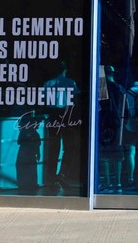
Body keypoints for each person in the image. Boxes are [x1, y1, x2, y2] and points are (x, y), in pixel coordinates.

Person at [41, 61, 80, 192]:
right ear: (65, 70)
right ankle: (62, 173)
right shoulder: (70, 82)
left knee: (54, 148)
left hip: (53, 115)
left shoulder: (47, 83)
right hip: (66, 115)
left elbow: (44, 101)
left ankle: (52, 178)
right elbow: (75, 100)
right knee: (69, 147)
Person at [96, 65, 125, 192]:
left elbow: (101, 106)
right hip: (118, 122)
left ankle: (107, 183)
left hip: (105, 123)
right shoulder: (120, 88)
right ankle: (118, 183)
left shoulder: (103, 87)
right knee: (118, 153)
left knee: (105, 154)